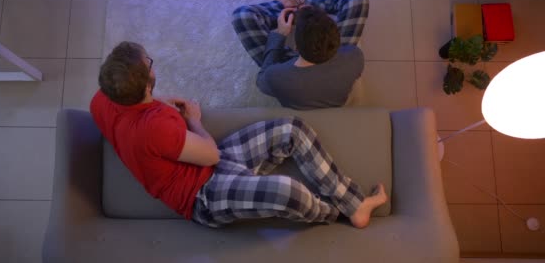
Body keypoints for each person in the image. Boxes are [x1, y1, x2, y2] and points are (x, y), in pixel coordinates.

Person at [90, 41, 387, 229]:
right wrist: (194, 120)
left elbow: (139, 115)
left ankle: (355, 204)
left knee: (292, 129)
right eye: (149, 62)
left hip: (204, 164)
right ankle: (335, 212)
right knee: (287, 192)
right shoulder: (156, 128)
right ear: (146, 83)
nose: (151, 62)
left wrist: (158, 101)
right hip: (203, 196)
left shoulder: (102, 100)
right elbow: (212, 155)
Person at [232, 0, 369, 110]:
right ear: (336, 36)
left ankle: (289, 7)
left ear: (296, 47)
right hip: (328, 60)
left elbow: (262, 81)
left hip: (292, 73)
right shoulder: (355, 56)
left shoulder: (276, 77)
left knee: (242, 16)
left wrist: (279, 34)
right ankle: (306, 4)